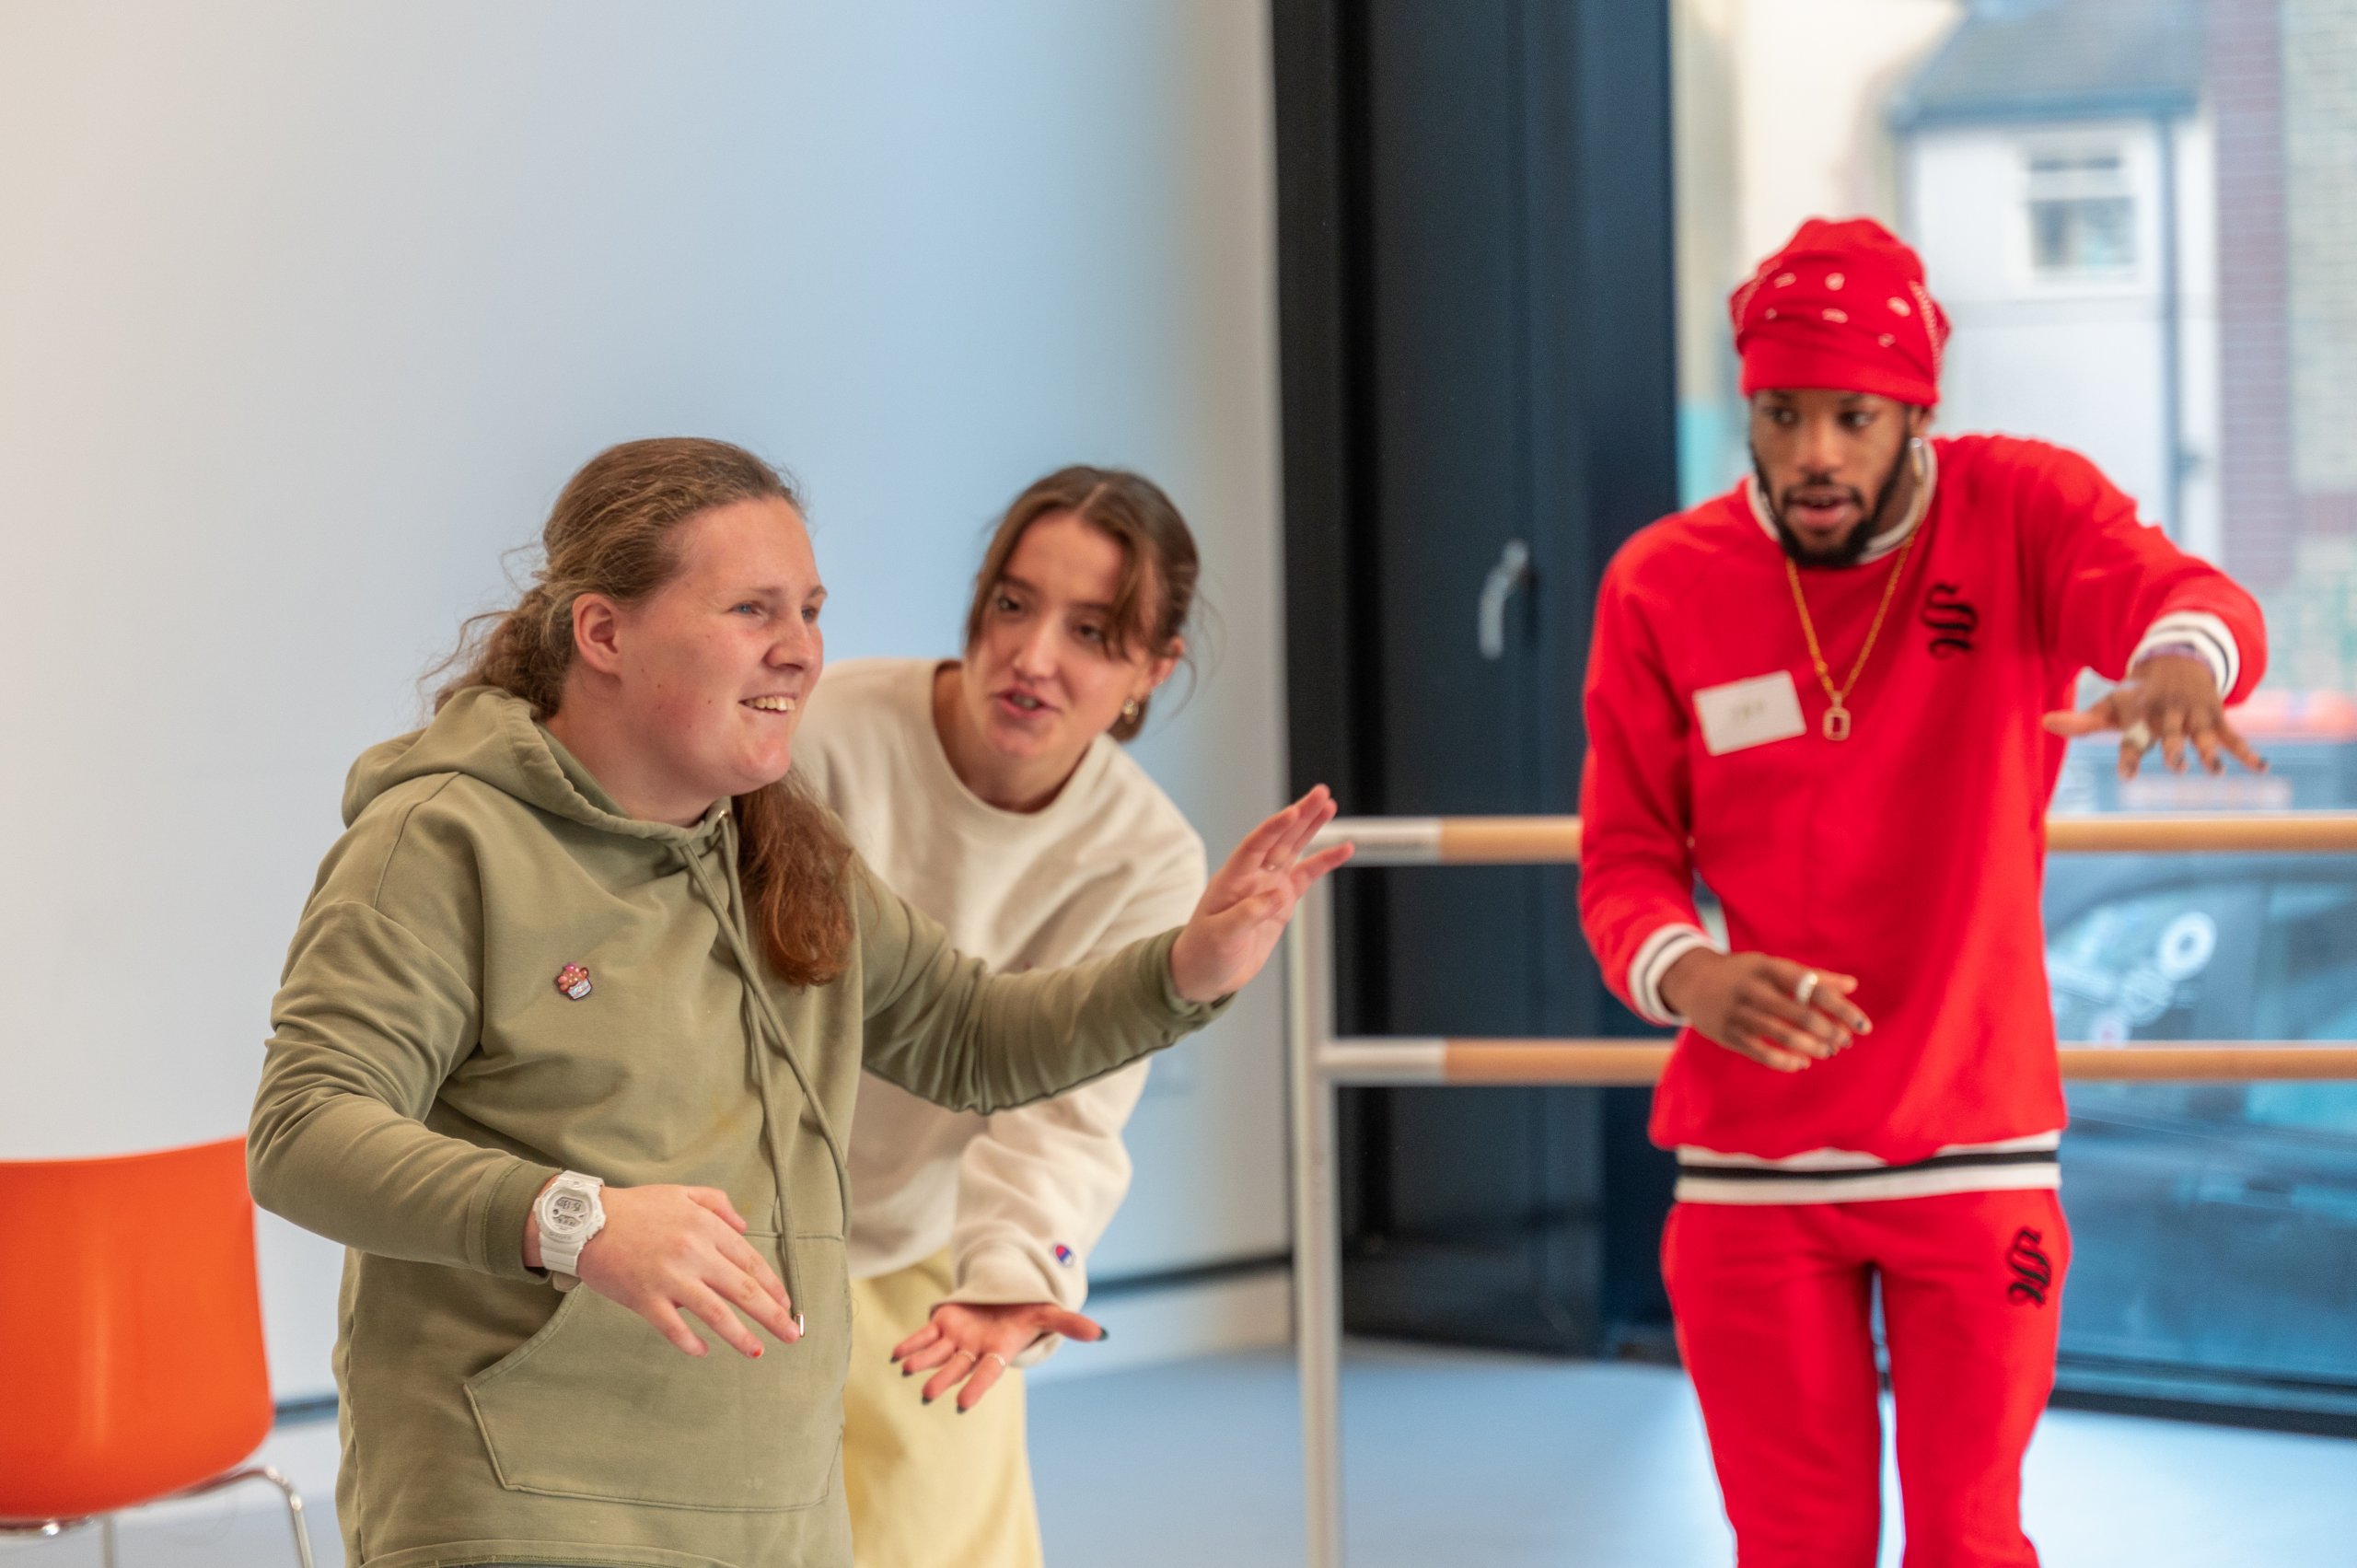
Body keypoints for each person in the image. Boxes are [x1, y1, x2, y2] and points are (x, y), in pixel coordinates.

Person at [246, 437, 1349, 1568]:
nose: (801, 652)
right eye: (753, 609)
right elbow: (303, 1130)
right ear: (603, 632)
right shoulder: (441, 840)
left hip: (773, 1508)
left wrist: (1184, 974)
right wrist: (578, 1220)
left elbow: (973, 1037)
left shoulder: (784, 848)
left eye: (810, 610)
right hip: (518, 1503)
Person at [1576, 218, 2268, 1567]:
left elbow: (2188, 594)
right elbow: (1625, 858)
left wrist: (2183, 657)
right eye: (1782, 413)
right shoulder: (1663, 583)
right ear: (1749, 411)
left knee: (1970, 1535)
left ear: (1915, 408)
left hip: (1975, 1150)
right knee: (1795, 1544)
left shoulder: (2016, 509)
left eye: (1854, 413)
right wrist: (1692, 972)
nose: (1815, 452)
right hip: (1748, 1172)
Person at [791, 467, 1206, 1568]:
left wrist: (1014, 1270)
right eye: (1012, 604)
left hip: (930, 1253)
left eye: (1091, 630)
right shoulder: (818, 739)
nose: (1031, 656)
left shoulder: (1147, 857)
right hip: (737, 1240)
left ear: (1150, 673)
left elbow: (1067, 1112)